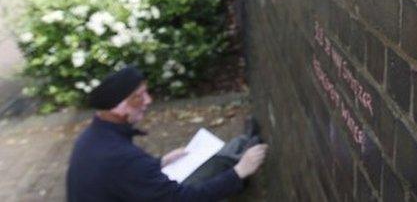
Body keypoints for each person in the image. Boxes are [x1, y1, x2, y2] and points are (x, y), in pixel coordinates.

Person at [66, 66, 268, 201]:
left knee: (203, 167)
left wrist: (160, 163)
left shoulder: (93, 137)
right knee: (203, 179)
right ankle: (240, 157)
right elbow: (182, 199)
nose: (148, 101)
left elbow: (121, 177)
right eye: (138, 97)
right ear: (118, 108)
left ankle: (239, 149)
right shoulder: (122, 156)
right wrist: (239, 171)